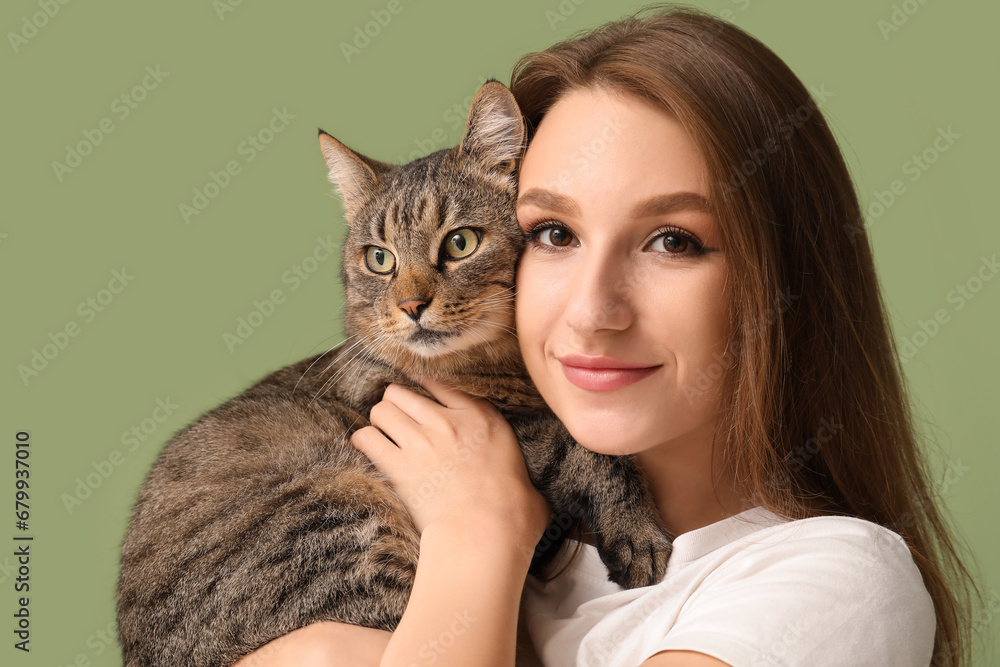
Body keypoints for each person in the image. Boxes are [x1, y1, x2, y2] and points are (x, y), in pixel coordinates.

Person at [234, 4, 976, 666]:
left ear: (782, 279)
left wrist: (476, 537)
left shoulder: (832, 585)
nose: (593, 311)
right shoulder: (417, 525)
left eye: (673, 242)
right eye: (554, 233)